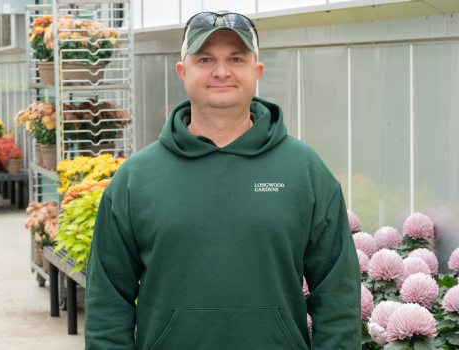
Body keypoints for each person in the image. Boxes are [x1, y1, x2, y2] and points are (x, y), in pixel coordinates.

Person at [85, 11, 361, 349]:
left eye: (236, 58)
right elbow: (107, 303)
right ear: (182, 71)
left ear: (257, 71)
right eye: (205, 59)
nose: (221, 72)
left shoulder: (303, 170)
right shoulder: (137, 178)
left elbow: (338, 294)